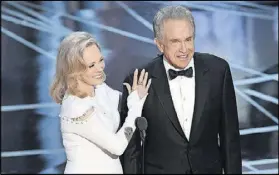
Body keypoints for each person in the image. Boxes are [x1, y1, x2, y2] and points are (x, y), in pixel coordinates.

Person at [120, 5, 242, 174]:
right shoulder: (139, 78)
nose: (184, 49)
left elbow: (231, 139)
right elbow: (131, 150)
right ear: (159, 45)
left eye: (188, 39)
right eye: (175, 41)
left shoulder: (218, 71)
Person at [49, 31, 151, 174]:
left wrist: (135, 97)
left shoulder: (100, 88)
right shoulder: (76, 107)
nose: (100, 68)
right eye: (91, 65)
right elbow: (117, 147)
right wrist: (135, 107)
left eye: (100, 60)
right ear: (74, 69)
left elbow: (127, 102)